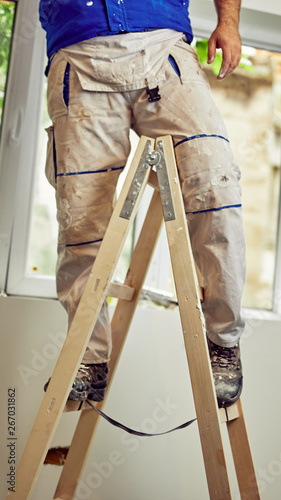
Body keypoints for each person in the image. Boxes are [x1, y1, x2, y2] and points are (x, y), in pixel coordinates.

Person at [39, 0, 246, 408]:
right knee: (80, 219)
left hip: (163, 50)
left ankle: (223, 342)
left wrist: (229, 21)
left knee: (215, 186)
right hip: (79, 53)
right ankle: (89, 356)